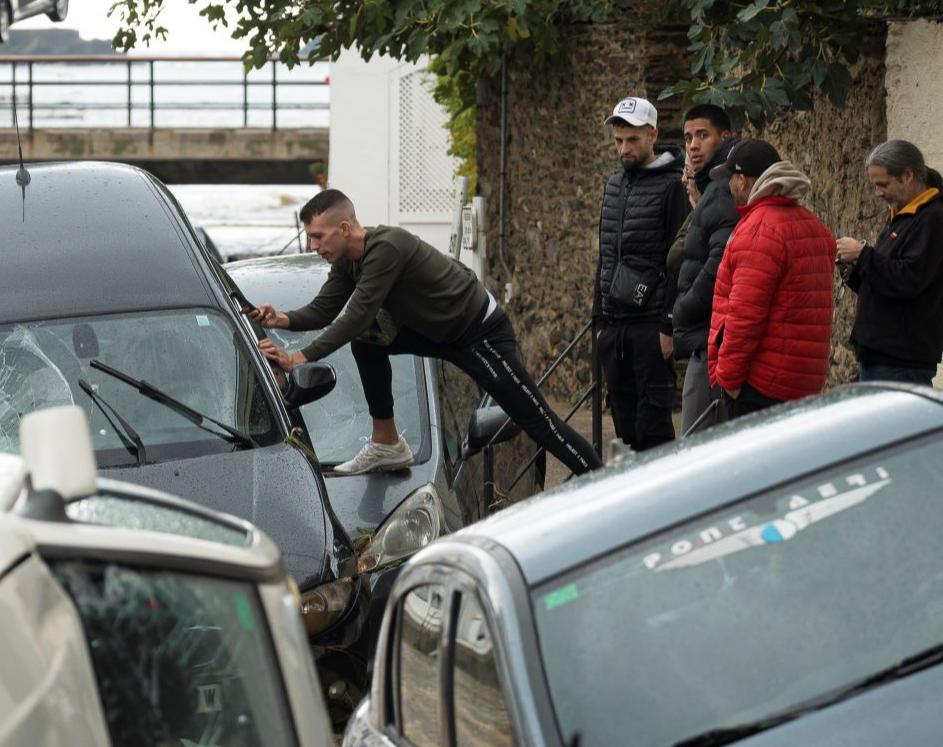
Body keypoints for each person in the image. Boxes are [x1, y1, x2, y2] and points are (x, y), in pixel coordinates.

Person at [249, 189, 602, 476]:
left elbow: (356, 315)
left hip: (480, 334)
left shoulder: (387, 247)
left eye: (317, 237)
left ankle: (601, 483)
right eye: (310, 238)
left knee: (538, 422)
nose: (313, 246)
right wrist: (281, 319)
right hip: (438, 334)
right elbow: (324, 310)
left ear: (344, 229)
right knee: (368, 343)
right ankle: (386, 442)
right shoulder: (345, 260)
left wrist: (298, 358)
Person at [707, 139, 836, 420]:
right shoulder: (813, 225)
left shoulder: (758, 230)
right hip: (803, 382)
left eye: (730, 178)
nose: (728, 187)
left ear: (742, 181)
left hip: (761, 385)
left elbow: (744, 317)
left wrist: (727, 382)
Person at [595, 96, 689, 452]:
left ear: (653, 135)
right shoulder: (614, 184)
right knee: (624, 431)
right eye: (618, 140)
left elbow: (679, 261)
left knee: (655, 432)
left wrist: (667, 326)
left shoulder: (671, 186)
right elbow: (605, 254)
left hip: (650, 325)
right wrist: (599, 321)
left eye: (632, 140)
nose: (624, 148)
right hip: (614, 327)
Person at [835, 140, 943, 386]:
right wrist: (852, 268)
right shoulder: (903, 216)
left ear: (908, 175)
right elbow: (883, 282)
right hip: (883, 356)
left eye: (883, 184)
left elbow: (909, 279)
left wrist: (863, 254)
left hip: (901, 361)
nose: (878, 193)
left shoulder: (932, 219)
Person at [670, 103, 738, 433]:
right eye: (687, 138)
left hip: (711, 338)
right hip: (708, 335)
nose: (693, 145)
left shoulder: (724, 188)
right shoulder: (712, 186)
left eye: (702, 135)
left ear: (724, 137)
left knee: (696, 446)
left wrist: (683, 309)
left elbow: (719, 264)